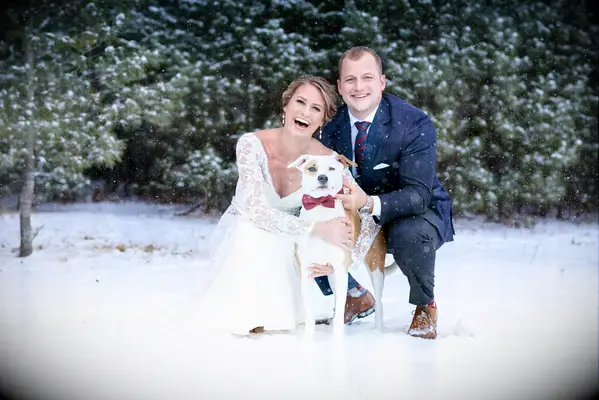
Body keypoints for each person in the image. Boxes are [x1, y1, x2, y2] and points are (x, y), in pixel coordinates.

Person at [194, 75, 379, 336]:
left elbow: (368, 211)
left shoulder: (326, 161)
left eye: (316, 108)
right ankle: (246, 317)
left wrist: (349, 260)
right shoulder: (251, 144)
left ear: (323, 119)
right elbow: (257, 211)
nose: (305, 112)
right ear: (286, 105)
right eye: (300, 102)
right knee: (252, 237)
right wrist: (317, 228)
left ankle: (282, 318)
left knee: (283, 246)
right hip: (249, 228)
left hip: (291, 239)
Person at [315, 46, 455, 339]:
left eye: (367, 77)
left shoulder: (413, 122)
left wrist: (368, 202)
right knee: (310, 227)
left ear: (382, 82)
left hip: (416, 209)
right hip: (354, 210)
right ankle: (354, 294)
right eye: (350, 79)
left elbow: (419, 194)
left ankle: (424, 306)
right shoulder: (329, 127)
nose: (359, 86)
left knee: (409, 233)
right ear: (339, 87)